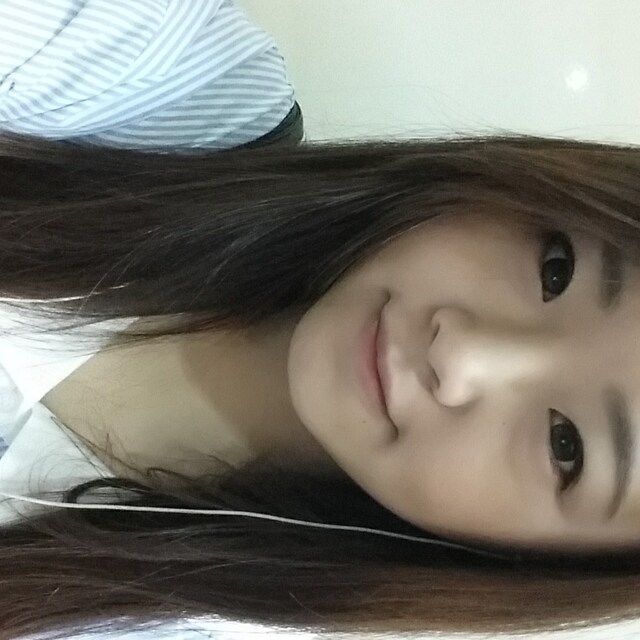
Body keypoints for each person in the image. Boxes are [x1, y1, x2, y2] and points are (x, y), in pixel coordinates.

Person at [1, 3, 640, 640]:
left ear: (543, 567)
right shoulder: (166, 76)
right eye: (556, 270)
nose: (463, 354)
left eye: (566, 446)